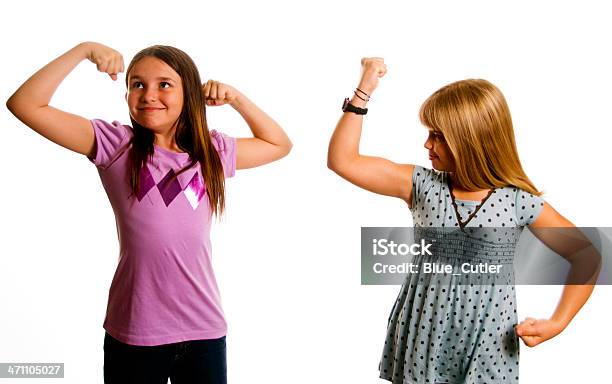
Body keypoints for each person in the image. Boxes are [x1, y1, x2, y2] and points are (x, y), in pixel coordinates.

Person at [6, 41, 292, 384]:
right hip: (135, 333)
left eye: (164, 84)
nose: (148, 94)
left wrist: (236, 99)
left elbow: (279, 144)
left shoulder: (211, 152)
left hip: (204, 331)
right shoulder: (116, 146)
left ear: (190, 94)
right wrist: (82, 51)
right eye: (137, 84)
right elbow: (24, 104)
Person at [327, 57, 597, 383]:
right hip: (423, 339)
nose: (427, 144)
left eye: (437, 135)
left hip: (488, 344)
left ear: (469, 139)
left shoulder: (517, 202)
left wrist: (558, 322)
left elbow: (585, 255)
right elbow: (343, 160)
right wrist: (364, 90)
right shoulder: (420, 185)